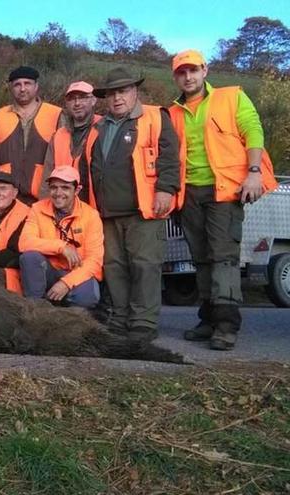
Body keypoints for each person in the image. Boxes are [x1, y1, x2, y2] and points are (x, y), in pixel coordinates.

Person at [169, 50, 279, 350]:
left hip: (225, 192)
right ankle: (208, 319)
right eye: (181, 72)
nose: (188, 77)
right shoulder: (173, 112)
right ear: (175, 77)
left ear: (205, 70)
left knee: (222, 257)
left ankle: (227, 323)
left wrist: (254, 172)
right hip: (190, 193)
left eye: (193, 70)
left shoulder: (231, 97)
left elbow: (253, 131)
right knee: (201, 258)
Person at [85, 67, 180, 341]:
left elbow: (170, 158)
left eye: (123, 91)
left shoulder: (155, 117)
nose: (117, 98)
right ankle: (121, 318)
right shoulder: (99, 126)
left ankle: (143, 323)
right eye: (112, 93)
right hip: (106, 212)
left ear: (135, 91)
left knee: (145, 265)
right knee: (114, 267)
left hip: (143, 209)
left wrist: (165, 190)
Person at [18, 166, 103, 308]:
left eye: (65, 188)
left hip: (76, 273)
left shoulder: (91, 216)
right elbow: (24, 243)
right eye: (54, 187)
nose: (58, 193)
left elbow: (94, 261)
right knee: (29, 257)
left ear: (77, 190)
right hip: (48, 272)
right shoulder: (37, 209)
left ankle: (64, 311)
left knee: (87, 298)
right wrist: (61, 247)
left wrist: (66, 283)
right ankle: (35, 309)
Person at [0, 66, 62, 204]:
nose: (22, 88)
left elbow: (62, 157)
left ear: (36, 86)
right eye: (17, 84)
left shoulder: (56, 114)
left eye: (27, 83)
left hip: (43, 197)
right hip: (6, 197)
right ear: (11, 88)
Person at [41, 81, 100, 205]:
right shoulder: (58, 135)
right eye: (72, 99)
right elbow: (48, 174)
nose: (77, 103)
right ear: (66, 104)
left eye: (83, 98)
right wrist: (44, 208)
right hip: (63, 207)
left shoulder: (104, 128)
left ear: (93, 100)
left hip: (96, 207)